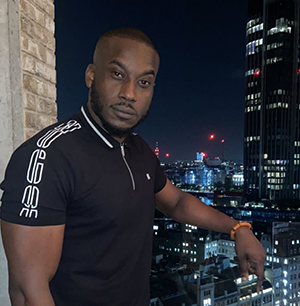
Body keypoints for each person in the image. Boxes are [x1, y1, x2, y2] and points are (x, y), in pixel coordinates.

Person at [0, 28, 266, 306]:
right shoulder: (47, 158)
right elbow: (28, 291)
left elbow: (175, 202)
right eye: (117, 74)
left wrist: (238, 229)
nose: (129, 93)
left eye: (144, 82)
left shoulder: (138, 149)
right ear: (91, 75)